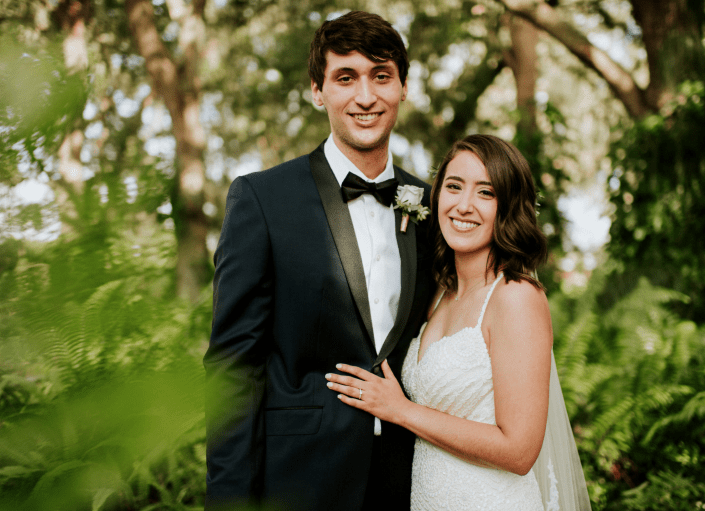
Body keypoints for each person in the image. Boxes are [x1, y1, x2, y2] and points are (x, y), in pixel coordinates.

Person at [204, 11, 434, 511]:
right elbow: (233, 371)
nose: (366, 96)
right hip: (299, 482)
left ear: (403, 87)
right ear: (317, 91)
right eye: (345, 78)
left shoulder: (432, 206)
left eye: (381, 76)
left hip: (413, 480)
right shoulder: (262, 199)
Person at [327, 134, 592, 510]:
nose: (464, 205)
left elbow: (519, 451)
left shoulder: (515, 297)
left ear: (508, 207)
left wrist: (401, 410)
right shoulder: (439, 292)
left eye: (486, 192)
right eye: (454, 186)